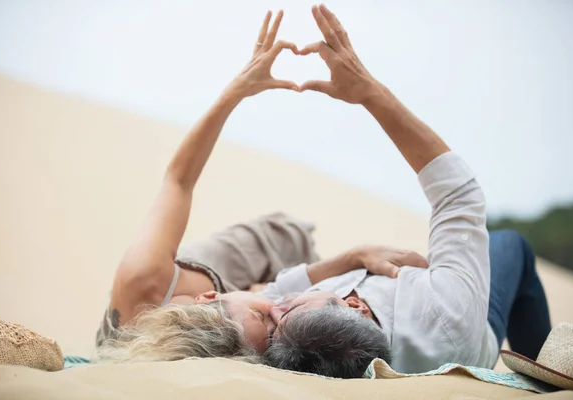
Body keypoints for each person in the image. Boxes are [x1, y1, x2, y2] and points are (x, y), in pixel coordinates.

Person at [93, 10, 423, 364]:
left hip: (262, 248)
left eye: (263, 318)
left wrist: (237, 90)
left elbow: (178, 179)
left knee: (288, 235)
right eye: (268, 334)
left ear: (208, 297)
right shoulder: (233, 349)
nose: (276, 317)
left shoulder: (143, 278)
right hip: (247, 297)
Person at [261, 4, 552, 379]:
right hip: (472, 325)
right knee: (512, 244)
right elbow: (458, 193)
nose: (273, 309)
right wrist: (370, 93)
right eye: (286, 311)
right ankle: (548, 376)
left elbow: (272, 294)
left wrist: (353, 256)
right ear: (354, 305)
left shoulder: (306, 342)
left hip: (420, 295)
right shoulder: (449, 313)